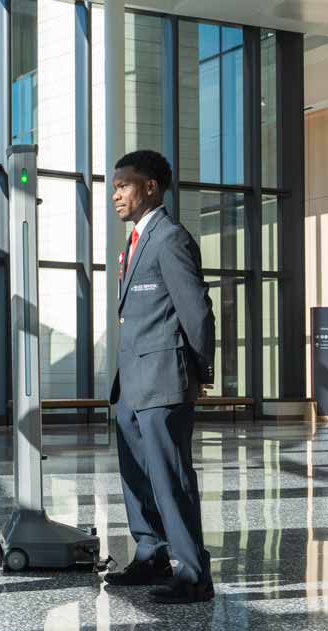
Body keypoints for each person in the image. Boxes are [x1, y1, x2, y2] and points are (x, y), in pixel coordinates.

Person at [104, 149, 216, 605]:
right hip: (131, 383)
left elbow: (197, 311)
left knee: (170, 478)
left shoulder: (169, 238)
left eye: (123, 185)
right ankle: (151, 555)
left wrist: (199, 371)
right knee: (136, 475)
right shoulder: (136, 241)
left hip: (164, 380)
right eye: (115, 186)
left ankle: (193, 574)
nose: (115, 195)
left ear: (150, 187)